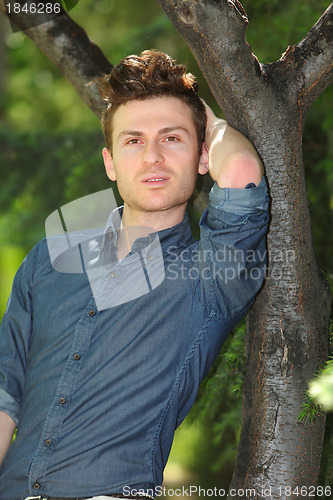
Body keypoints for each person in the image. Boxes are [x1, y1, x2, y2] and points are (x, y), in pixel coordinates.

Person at [0, 50, 268, 500]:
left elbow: (241, 172)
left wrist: (204, 116)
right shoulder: (49, 259)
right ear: (110, 162)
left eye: (171, 138)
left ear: (203, 158)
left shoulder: (209, 277)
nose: (152, 158)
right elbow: (6, 393)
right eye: (133, 141)